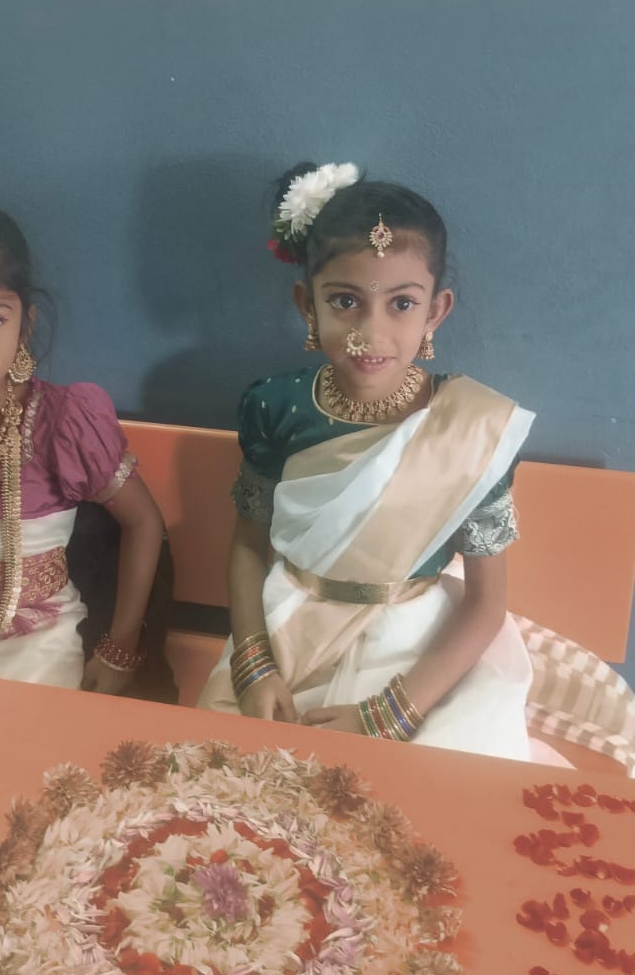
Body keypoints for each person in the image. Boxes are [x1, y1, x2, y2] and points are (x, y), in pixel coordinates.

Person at [199, 163, 635, 769]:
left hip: (413, 658)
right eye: (345, 301)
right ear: (307, 304)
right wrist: (252, 666)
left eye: (401, 303)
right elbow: (249, 544)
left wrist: (390, 715)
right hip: (283, 633)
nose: (371, 333)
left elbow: (486, 604)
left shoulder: (471, 429)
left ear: (435, 311)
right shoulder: (276, 406)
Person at [0, 201, 164, 695]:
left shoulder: (61, 423)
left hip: (40, 642)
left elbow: (143, 522)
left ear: (24, 326)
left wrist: (120, 647)